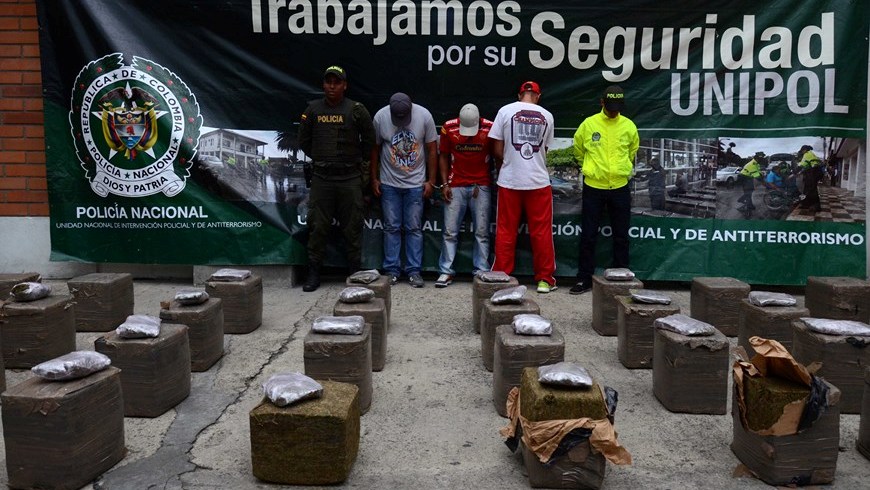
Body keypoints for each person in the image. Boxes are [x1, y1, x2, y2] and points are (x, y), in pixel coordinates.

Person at [297, 65, 376, 292]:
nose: (332, 86)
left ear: (344, 85)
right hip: (322, 178)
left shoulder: (356, 110)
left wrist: (353, 160)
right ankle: (313, 273)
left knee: (352, 227)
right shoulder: (312, 110)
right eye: (328, 82)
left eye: (337, 82)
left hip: (350, 178)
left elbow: (369, 141)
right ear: (323, 84)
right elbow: (304, 141)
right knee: (318, 227)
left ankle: (354, 274)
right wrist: (323, 158)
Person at [570, 85, 639, 295]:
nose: (613, 110)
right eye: (610, 106)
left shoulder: (629, 126)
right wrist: (589, 169)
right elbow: (578, 149)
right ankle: (584, 278)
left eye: (617, 107)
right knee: (589, 235)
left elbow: (632, 151)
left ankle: (621, 276)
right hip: (594, 187)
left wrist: (620, 170)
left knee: (621, 235)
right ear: (602, 102)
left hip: (619, 187)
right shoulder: (588, 124)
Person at [488, 81, 556, 293]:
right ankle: (545, 280)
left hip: (510, 179)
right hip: (538, 181)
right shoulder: (547, 115)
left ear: (520, 95)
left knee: (506, 230)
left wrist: (508, 163)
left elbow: (496, 147)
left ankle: (502, 275)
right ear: (538, 95)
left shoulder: (505, 111)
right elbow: (543, 148)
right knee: (542, 232)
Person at [370, 92, 438, 287]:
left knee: (414, 228)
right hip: (389, 182)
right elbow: (374, 149)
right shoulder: (381, 117)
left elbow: (432, 149)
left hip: (415, 183)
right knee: (391, 227)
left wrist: (431, 181)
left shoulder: (424, 116)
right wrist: (374, 178)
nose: (400, 121)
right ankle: (391, 270)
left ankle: (414, 271)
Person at [434, 103, 494, 288]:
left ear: (479, 121)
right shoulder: (449, 127)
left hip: (481, 185)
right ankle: (446, 271)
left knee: (482, 232)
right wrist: (444, 184)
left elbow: (497, 155)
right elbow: (443, 155)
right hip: (456, 184)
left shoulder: (490, 128)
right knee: (450, 231)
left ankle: (481, 270)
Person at [797, 144, 822, 212]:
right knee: (807, 189)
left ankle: (816, 207)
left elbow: (802, 164)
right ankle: (806, 204)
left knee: (812, 190)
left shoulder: (807, 154)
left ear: (804, 150)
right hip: (814, 172)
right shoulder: (811, 154)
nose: (802, 152)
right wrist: (801, 172)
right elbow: (807, 165)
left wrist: (796, 169)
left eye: (802, 151)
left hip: (813, 173)